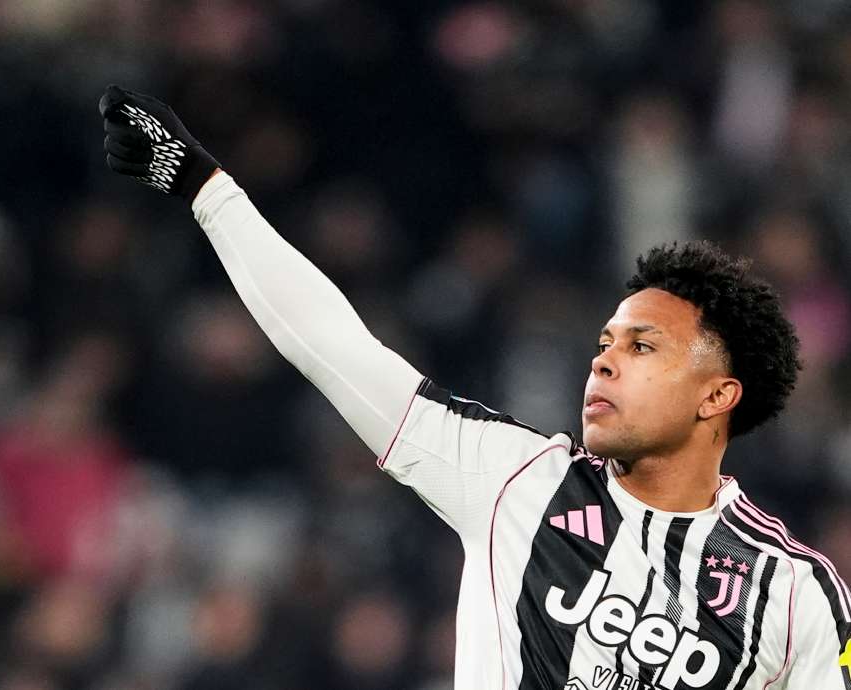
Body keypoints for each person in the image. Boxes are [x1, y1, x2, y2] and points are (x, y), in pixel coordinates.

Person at [97, 85, 851, 690]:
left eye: (643, 346)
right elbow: (336, 348)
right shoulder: (516, 478)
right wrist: (207, 189)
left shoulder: (797, 597)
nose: (605, 362)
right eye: (604, 344)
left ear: (716, 396)